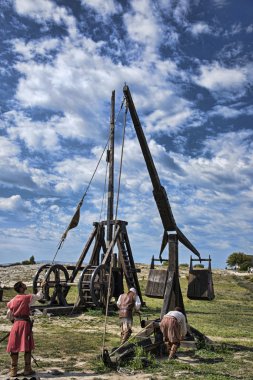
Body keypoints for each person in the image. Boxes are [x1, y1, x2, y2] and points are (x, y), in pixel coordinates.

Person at [6, 280, 45, 377]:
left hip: (16, 325)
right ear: (20, 288)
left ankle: (13, 371)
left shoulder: (12, 300)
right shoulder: (28, 298)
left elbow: (9, 315)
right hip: (25, 325)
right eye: (23, 284)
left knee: (14, 347)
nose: (25, 285)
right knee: (27, 347)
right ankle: (27, 369)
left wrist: (15, 322)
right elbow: (39, 296)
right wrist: (42, 287)